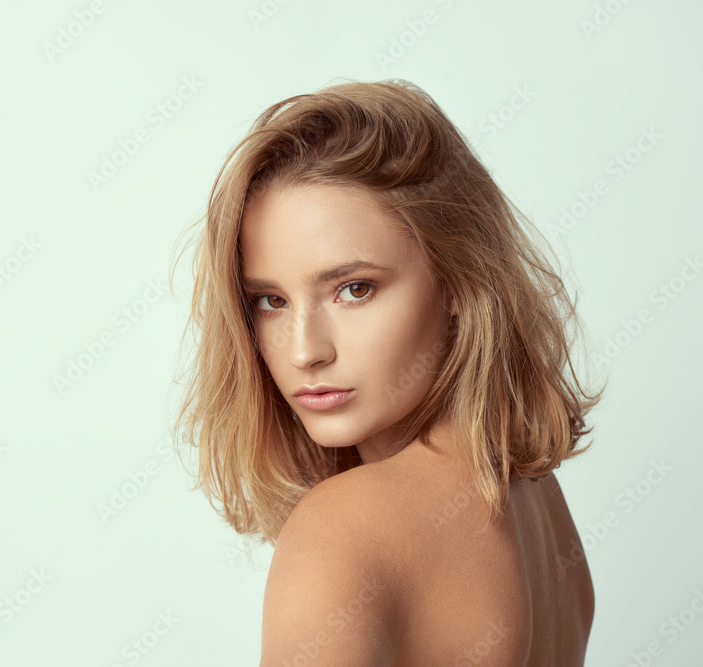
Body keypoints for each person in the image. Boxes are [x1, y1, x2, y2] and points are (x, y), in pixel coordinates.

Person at [169, 78, 605, 665]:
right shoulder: (535, 501)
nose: (304, 351)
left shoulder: (343, 530)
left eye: (354, 289)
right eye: (270, 301)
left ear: (459, 281)